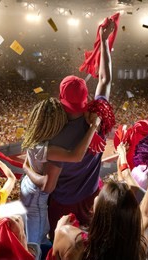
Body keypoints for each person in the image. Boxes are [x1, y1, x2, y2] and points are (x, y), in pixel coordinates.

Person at [24, 18, 116, 240]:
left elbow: (47, 187)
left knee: (66, 246)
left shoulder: (55, 134)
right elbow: (105, 79)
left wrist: (27, 169)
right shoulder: (99, 115)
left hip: (65, 203)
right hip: (93, 193)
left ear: (60, 98)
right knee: (93, 239)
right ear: (86, 97)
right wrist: (104, 42)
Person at [21, 97, 101, 244]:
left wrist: (26, 167)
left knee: (32, 233)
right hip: (36, 197)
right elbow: (75, 156)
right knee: (36, 241)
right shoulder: (47, 149)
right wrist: (93, 127)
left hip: (26, 189)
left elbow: (27, 161)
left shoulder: (33, 139)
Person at [49, 181, 148, 259]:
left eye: (101, 195)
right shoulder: (138, 250)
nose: (97, 196)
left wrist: (59, 231)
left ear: (103, 213)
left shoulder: (73, 241)